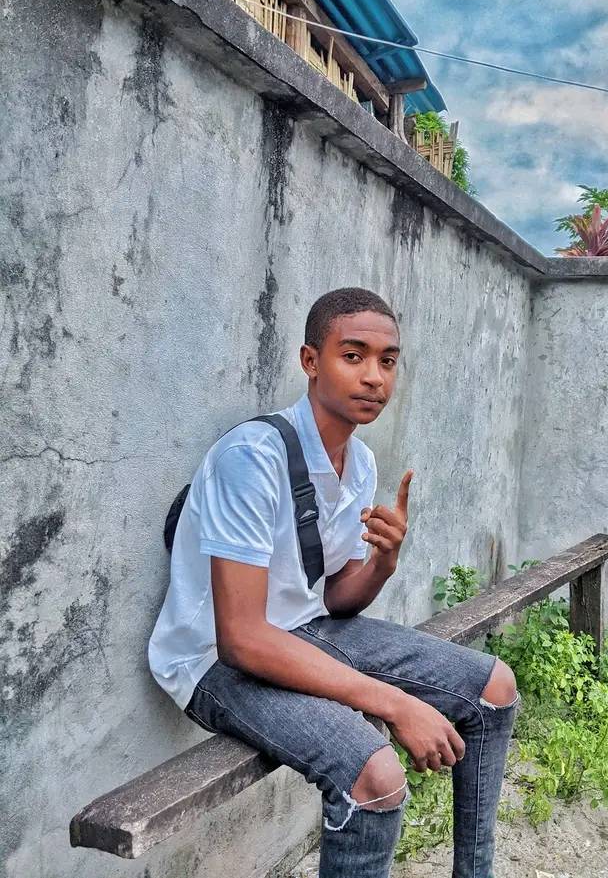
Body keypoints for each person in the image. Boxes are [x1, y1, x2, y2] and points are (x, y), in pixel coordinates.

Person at [148, 287, 520, 878]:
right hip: (212, 660)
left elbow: (336, 598)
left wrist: (383, 562)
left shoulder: (360, 462)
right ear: (311, 361)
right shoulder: (252, 457)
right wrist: (395, 703)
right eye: (353, 356)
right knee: (375, 778)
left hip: (306, 628)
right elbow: (241, 638)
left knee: (494, 687)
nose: (374, 377)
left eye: (388, 361)